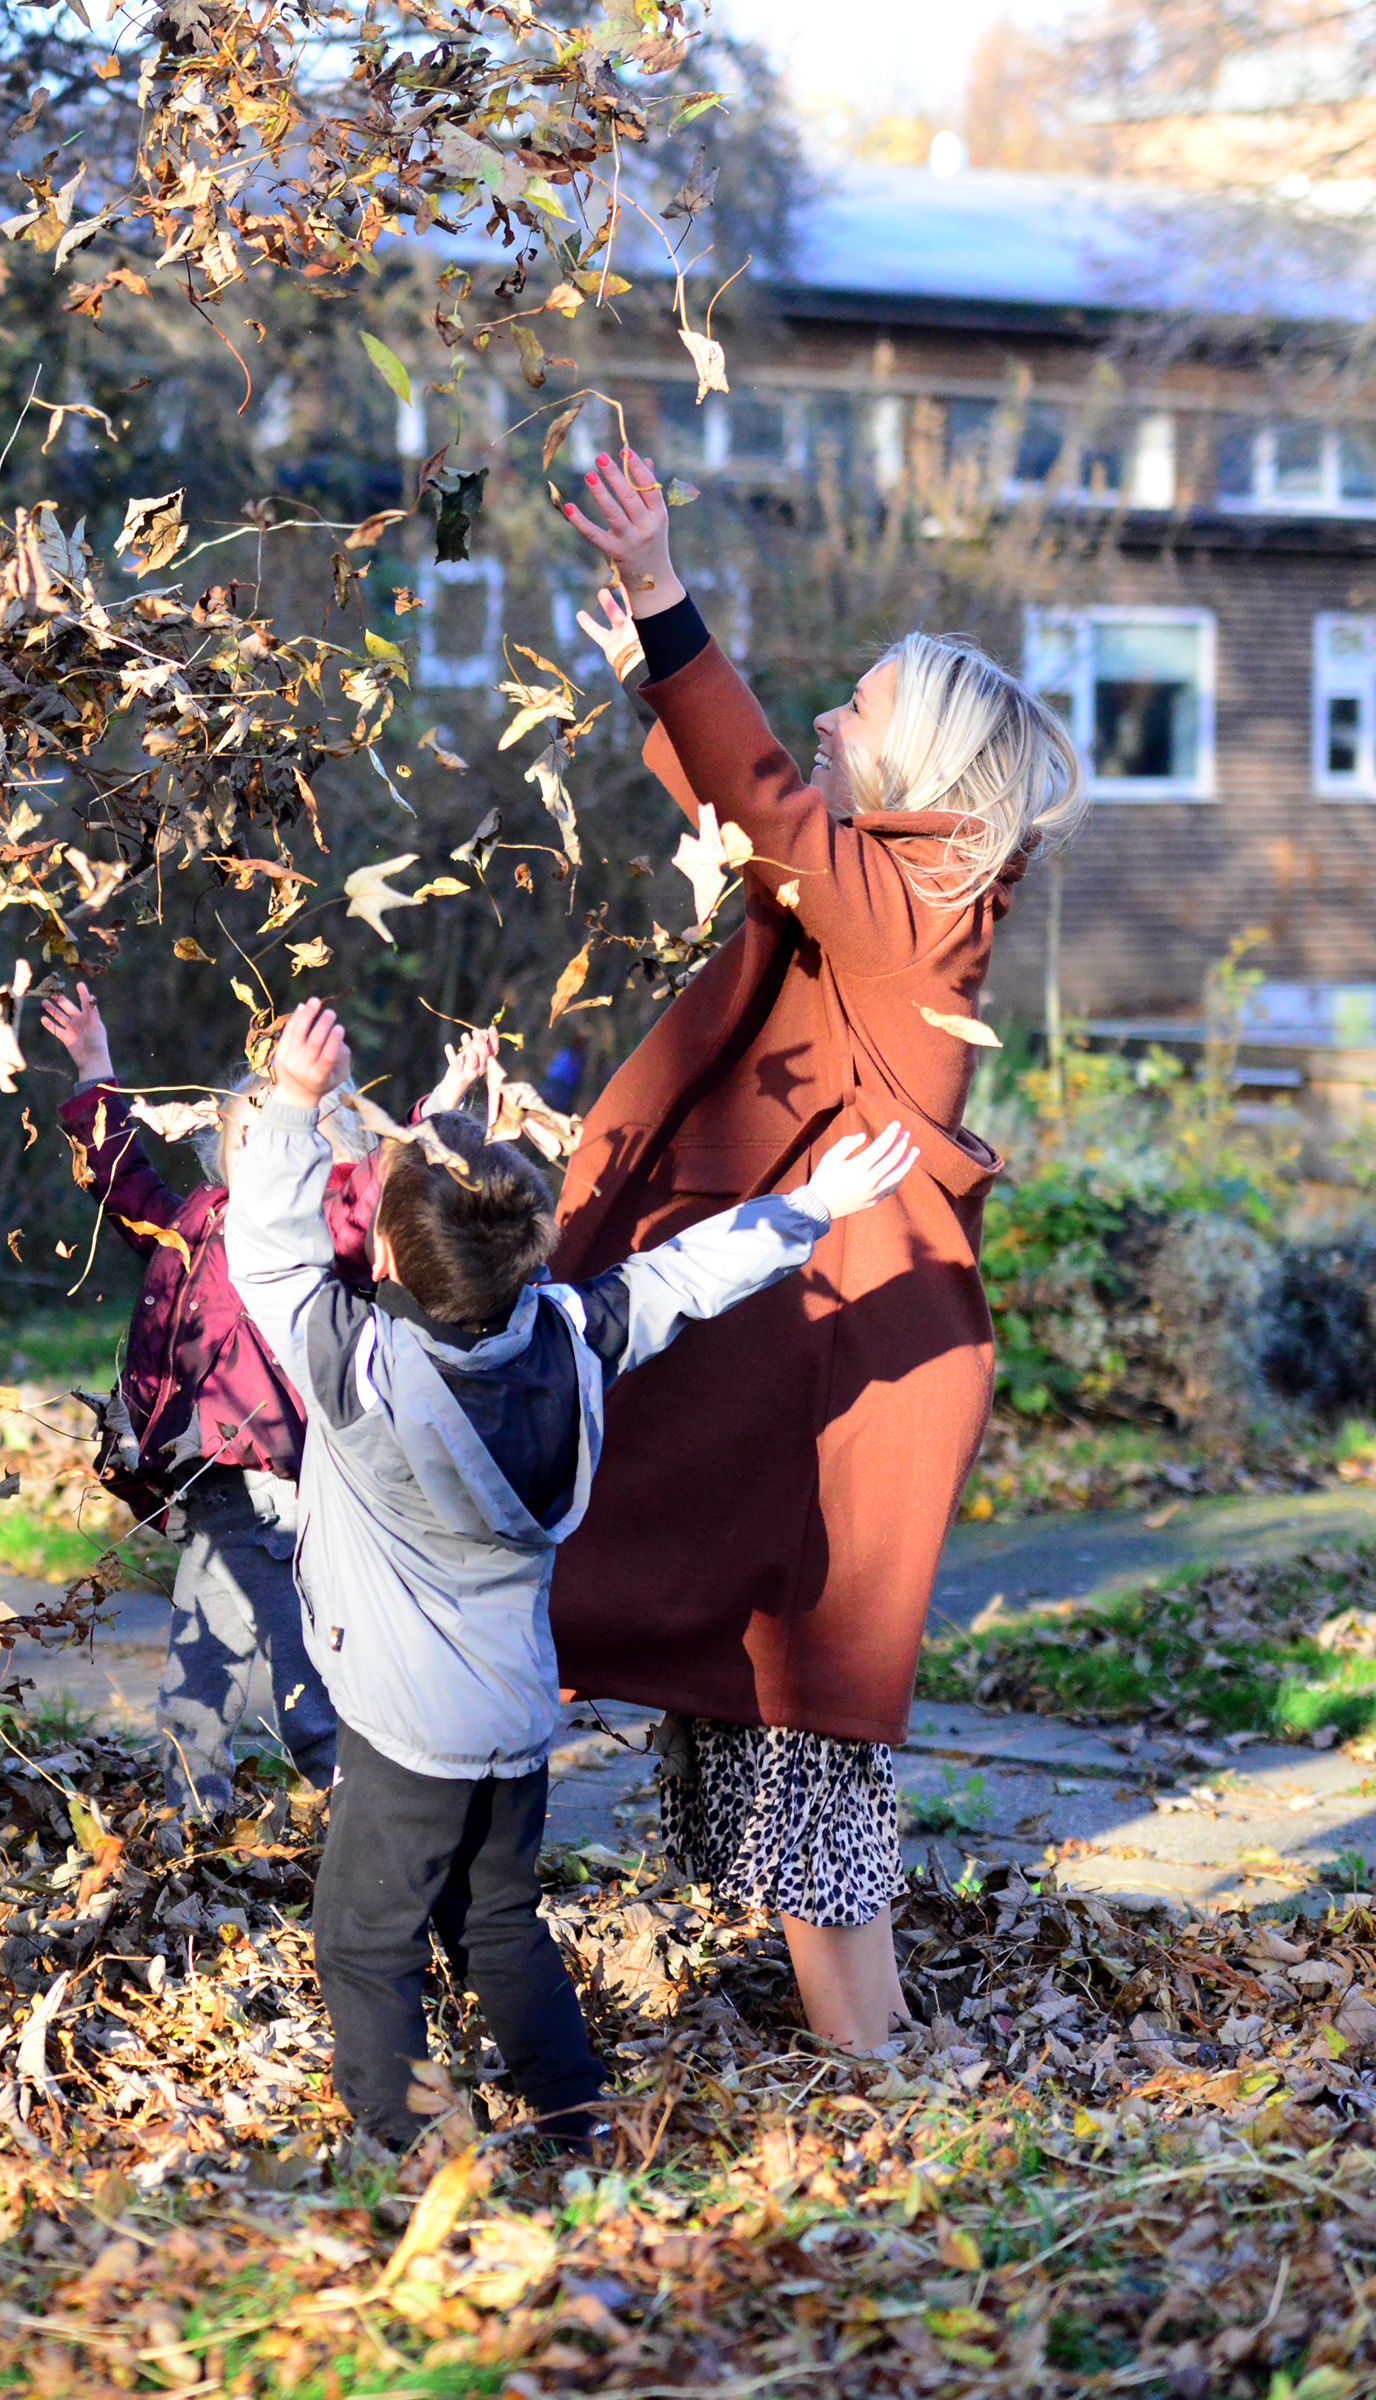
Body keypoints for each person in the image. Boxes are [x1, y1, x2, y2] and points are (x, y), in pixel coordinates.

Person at [554, 441, 1085, 2050]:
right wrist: (657, 687)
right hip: (794, 1351)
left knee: (810, 1720)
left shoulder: (923, 908)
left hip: (840, 1377)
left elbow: (774, 813)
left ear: (921, 760)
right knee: (761, 1696)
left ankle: (874, 2071)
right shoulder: (879, 896)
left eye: (857, 707)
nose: (829, 721)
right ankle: (868, 2046)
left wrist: (667, 600)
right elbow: (763, 829)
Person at [229, 996, 920, 2148]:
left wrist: (295, 1104)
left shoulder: (357, 1370)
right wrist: (812, 1205)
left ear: (386, 1257)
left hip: (404, 1726)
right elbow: (685, 1277)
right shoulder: (569, 1337)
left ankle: (406, 2153)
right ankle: (580, 2123)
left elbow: (270, 1251)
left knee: (363, 1943)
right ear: (522, 1255)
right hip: (513, 1715)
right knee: (497, 1924)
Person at [35, 985, 492, 1814]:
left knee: (298, 1661)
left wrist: (443, 1105)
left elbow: (393, 1180)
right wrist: (95, 1066)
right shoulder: (196, 1220)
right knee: (205, 1655)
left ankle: (354, 1803)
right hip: (214, 1482)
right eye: (247, 1130)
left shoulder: (328, 1228)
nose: (261, 1144)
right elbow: (121, 1181)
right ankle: (191, 1803)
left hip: (280, 1482)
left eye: (289, 1129)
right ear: (220, 1146)